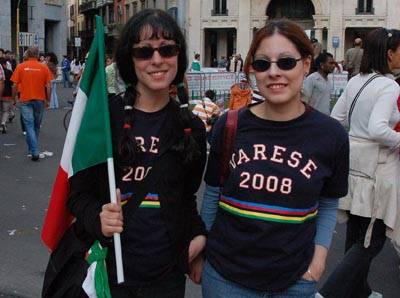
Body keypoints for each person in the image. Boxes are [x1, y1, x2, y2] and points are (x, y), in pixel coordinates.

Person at [45, 8, 207, 297]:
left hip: (166, 277)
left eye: (166, 49)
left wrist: (197, 240)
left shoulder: (191, 127)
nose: (157, 60)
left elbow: (187, 197)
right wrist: (98, 218)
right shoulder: (106, 121)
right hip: (109, 272)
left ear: (178, 57)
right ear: (130, 61)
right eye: (144, 52)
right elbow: (77, 194)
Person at [196, 19, 349, 297]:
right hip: (226, 279)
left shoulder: (331, 135)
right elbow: (213, 194)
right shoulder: (228, 125)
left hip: (296, 281)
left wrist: (319, 259)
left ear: (306, 64)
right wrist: (202, 248)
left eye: (286, 62)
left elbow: (328, 202)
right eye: (263, 64)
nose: (274, 72)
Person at [318, 28, 400, 298]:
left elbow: (336, 117)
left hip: (354, 166)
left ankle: (359, 291)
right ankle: (328, 294)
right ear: (389, 54)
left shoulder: (356, 81)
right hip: (378, 169)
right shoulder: (389, 85)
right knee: (372, 239)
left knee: (356, 234)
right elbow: (378, 129)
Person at [10, 46, 52, 161]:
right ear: (38, 55)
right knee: (36, 126)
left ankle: (33, 150)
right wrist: (48, 100)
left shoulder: (20, 67)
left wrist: (13, 99)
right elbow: (48, 86)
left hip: (25, 100)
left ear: (28, 54)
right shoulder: (43, 68)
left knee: (29, 125)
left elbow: (14, 85)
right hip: (40, 100)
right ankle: (33, 149)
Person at [0, 57, 14, 133]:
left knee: (1, 110)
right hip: (7, 93)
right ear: (5, 64)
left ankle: (1, 125)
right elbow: (13, 84)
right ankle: (3, 123)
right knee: (6, 110)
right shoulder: (9, 72)